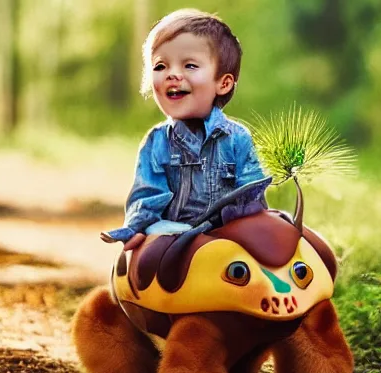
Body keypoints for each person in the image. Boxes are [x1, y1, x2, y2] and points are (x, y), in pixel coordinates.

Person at [101, 8, 271, 251]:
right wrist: (139, 226)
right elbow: (148, 195)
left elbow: (251, 195)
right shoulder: (157, 141)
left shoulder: (237, 138)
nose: (172, 74)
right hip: (173, 236)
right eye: (160, 66)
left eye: (190, 65)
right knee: (154, 250)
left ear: (223, 83)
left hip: (226, 237)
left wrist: (258, 227)